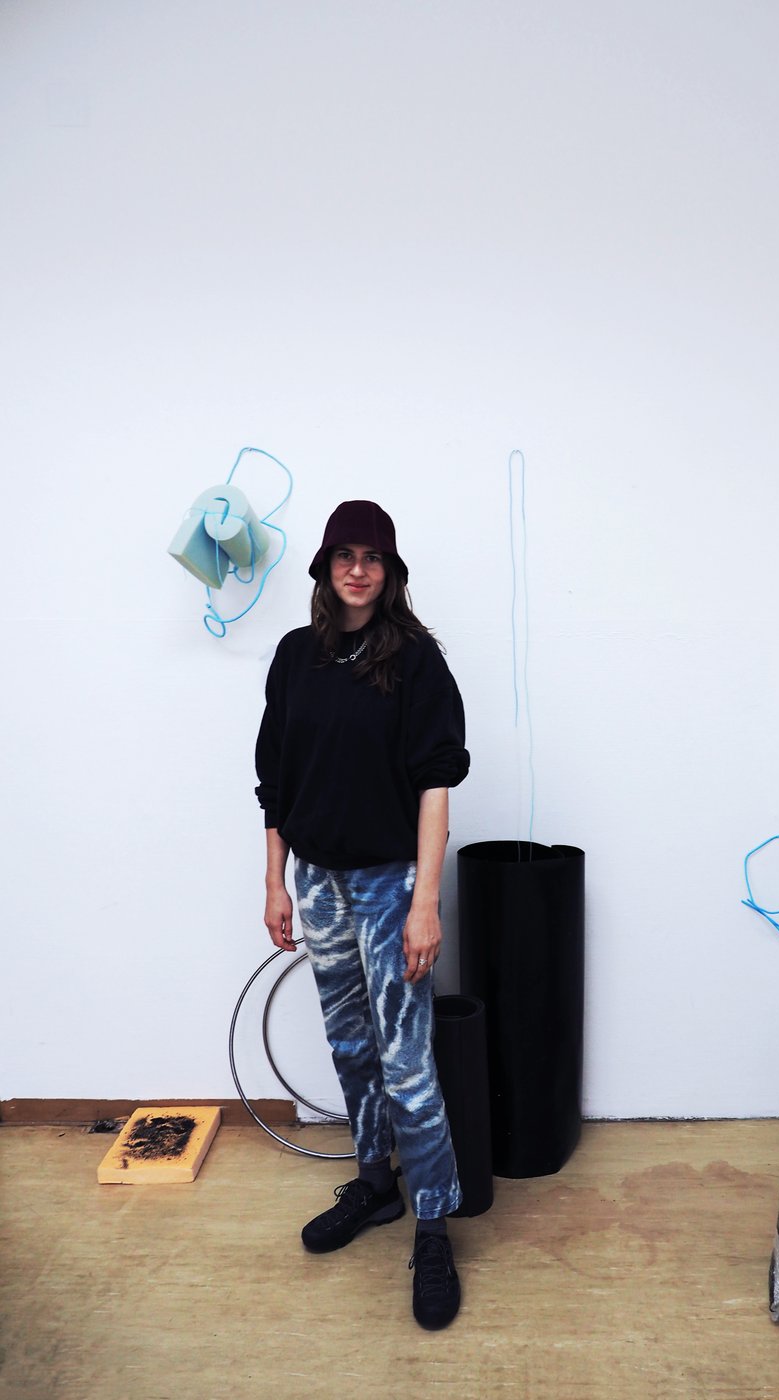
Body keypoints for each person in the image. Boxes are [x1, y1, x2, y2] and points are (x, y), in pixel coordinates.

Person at [254, 499, 470, 1331]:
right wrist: (276, 884)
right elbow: (276, 782)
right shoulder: (294, 658)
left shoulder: (416, 661)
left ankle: (434, 1227)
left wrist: (425, 904)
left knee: (407, 1060)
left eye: (371, 557)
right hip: (317, 880)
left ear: (391, 572)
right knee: (350, 1045)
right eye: (343, 556)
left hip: (389, 884)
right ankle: (377, 1184)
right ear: (323, 568)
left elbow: (435, 783)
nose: (357, 569)